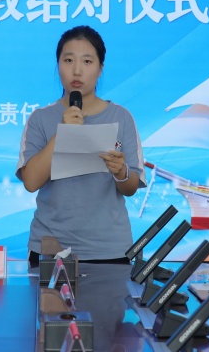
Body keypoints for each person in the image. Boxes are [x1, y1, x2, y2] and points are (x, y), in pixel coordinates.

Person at [16, 25, 145, 265]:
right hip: (51, 248)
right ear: (58, 65)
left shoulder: (122, 117)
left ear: (100, 68)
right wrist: (63, 133)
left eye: (87, 61)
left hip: (110, 250)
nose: (77, 70)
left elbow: (131, 187)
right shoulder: (40, 119)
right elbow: (31, 182)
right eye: (68, 60)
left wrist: (121, 172)